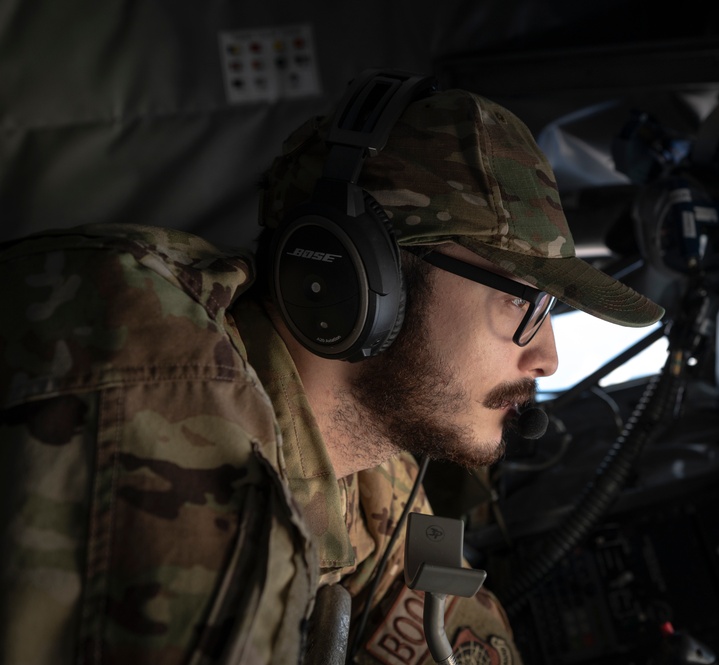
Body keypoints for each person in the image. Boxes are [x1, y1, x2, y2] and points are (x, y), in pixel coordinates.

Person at [0, 74, 664, 664]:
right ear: (355, 277)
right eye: (522, 299)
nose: (546, 353)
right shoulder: (154, 377)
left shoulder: (371, 462)